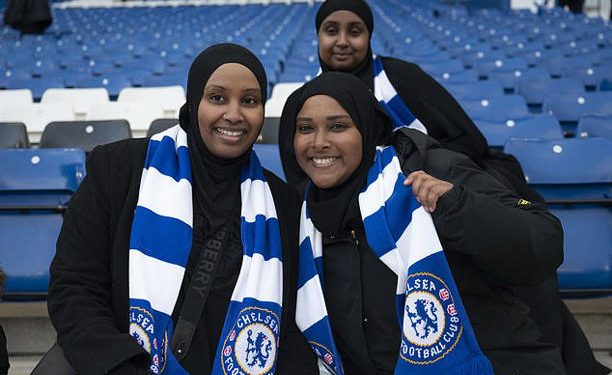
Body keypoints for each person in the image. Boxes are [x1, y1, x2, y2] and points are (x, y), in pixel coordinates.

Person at [279, 1, 609, 373]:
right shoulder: (306, 219)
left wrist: (450, 200)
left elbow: (539, 240)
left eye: (340, 126)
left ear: (369, 130)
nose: (319, 141)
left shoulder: (422, 156)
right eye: (305, 129)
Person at [47, 43, 317, 375]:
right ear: (192, 103)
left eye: (249, 101)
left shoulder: (283, 204)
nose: (233, 114)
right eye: (217, 97)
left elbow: (291, 328)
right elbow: (75, 288)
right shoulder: (119, 170)